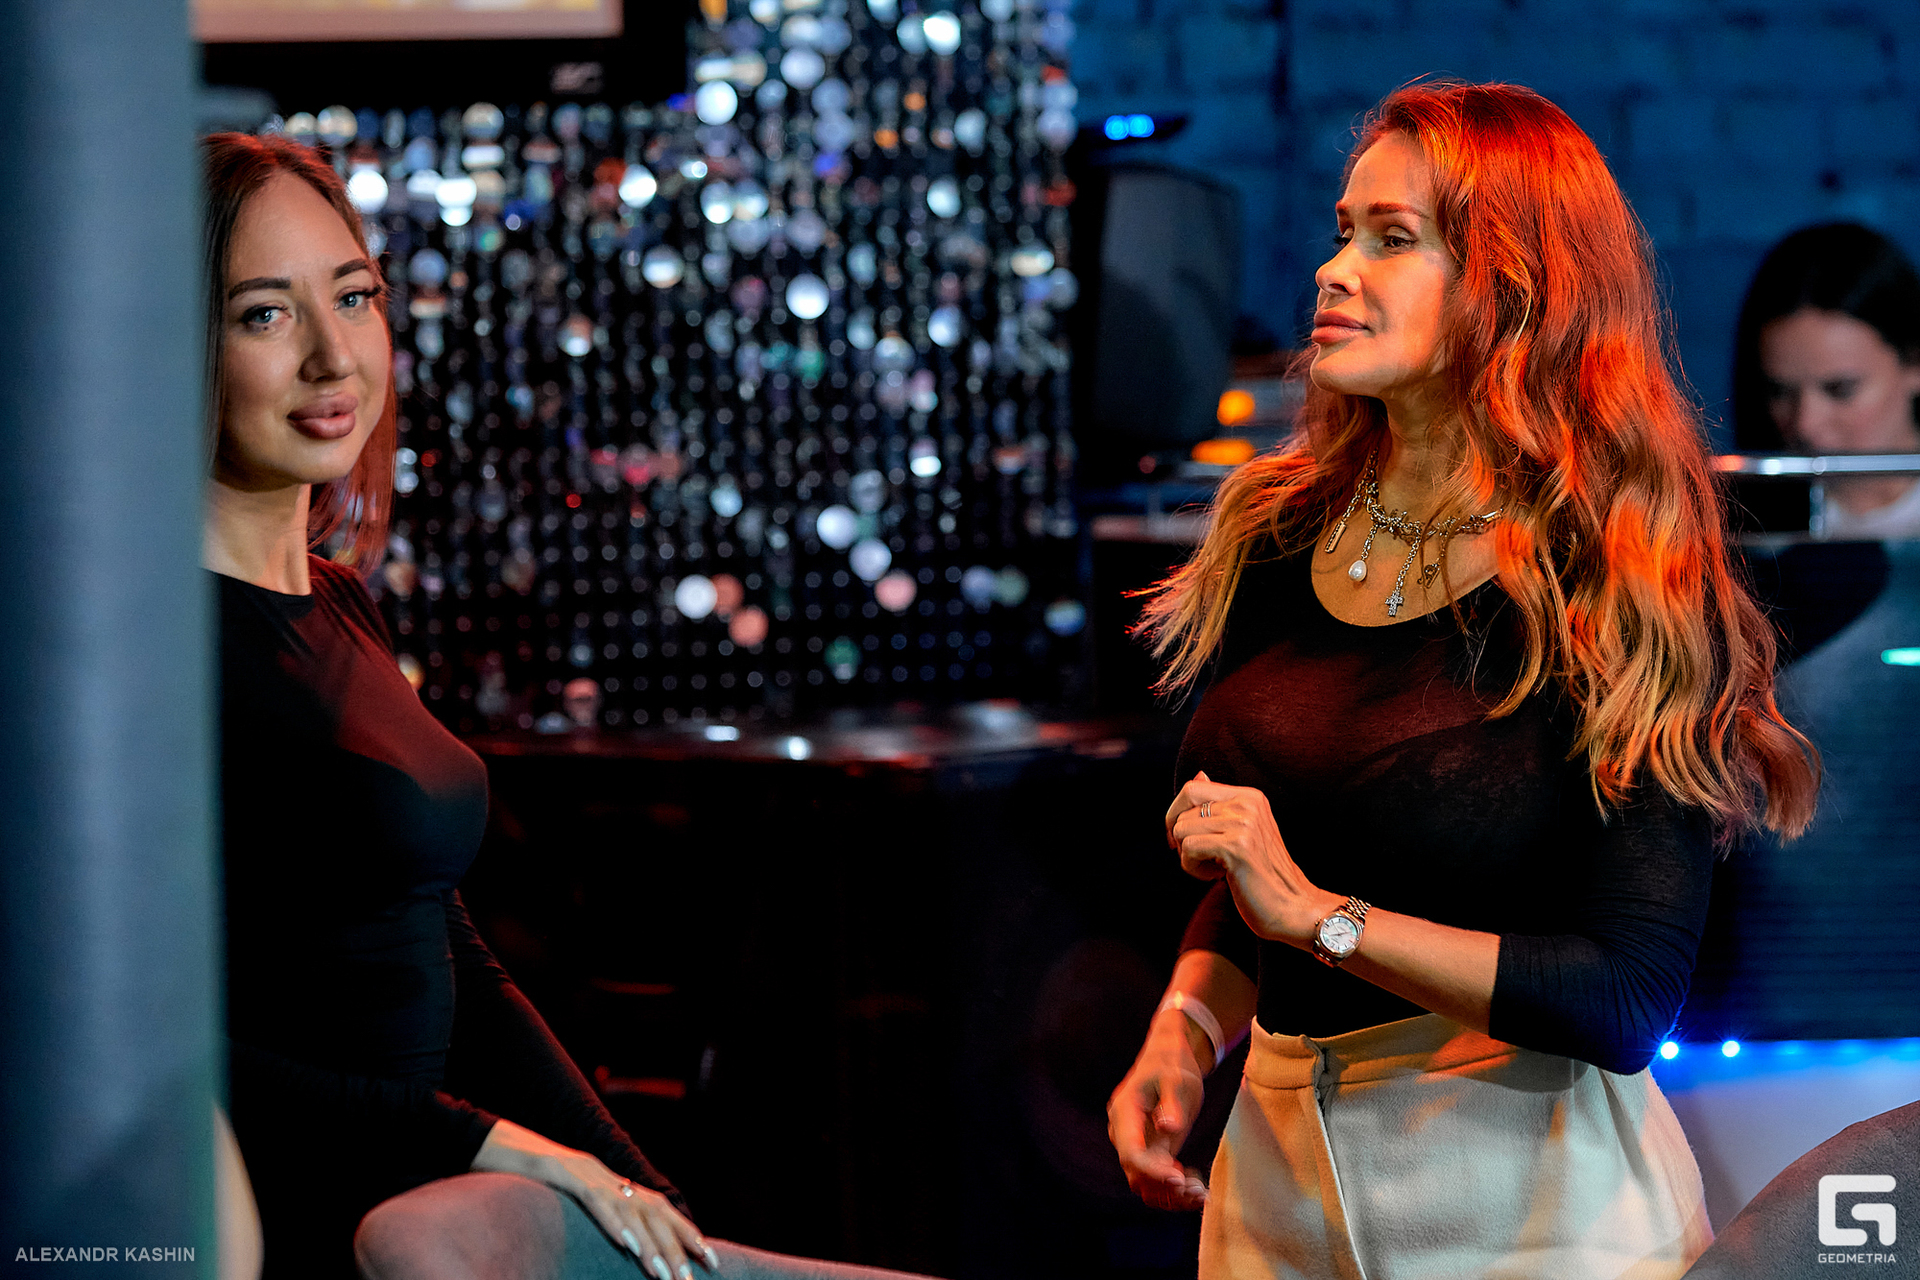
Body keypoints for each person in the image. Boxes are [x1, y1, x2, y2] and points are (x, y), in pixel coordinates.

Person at [1104, 82, 1819, 1279]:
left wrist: (1320, 917)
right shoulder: (1276, 532)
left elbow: (1625, 996)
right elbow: (1257, 876)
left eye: (1393, 239)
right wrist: (1184, 1029)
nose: (1334, 270)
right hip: (1273, 1189)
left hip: (1532, 1207)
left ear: (1515, 287)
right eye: (1344, 231)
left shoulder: (1619, 574)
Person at [202, 132, 936, 1280]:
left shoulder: (340, 604)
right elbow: (151, 1051)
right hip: (313, 1214)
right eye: (264, 314)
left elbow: (453, 954)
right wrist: (495, 1144)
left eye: (354, 296)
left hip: (454, 1189)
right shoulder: (143, 653)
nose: (333, 355)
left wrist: (646, 1195)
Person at [1731, 222, 1920, 539]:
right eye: (1779, 391)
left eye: (1840, 390)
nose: (1805, 425)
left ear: (1914, 364)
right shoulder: (1744, 532)